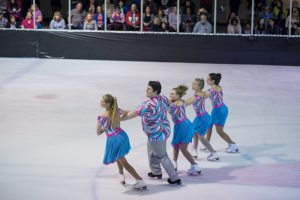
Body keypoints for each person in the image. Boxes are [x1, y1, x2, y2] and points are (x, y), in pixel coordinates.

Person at [122, 81, 181, 184]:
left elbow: (133, 114)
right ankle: (156, 172)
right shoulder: (162, 97)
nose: (146, 90)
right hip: (162, 129)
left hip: (157, 134)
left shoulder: (149, 104)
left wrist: (118, 119)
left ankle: (175, 178)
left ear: (155, 91)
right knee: (151, 150)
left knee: (162, 155)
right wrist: (125, 111)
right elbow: (170, 106)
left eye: (149, 89)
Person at [97, 94, 147, 190]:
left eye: (102, 101)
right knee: (119, 157)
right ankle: (121, 175)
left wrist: (105, 128)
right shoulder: (117, 110)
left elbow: (98, 133)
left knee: (123, 160)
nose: (100, 102)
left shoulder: (101, 117)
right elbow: (129, 113)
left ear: (107, 104)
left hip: (113, 139)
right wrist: (120, 119)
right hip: (122, 136)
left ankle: (140, 180)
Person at [168, 85, 201, 175]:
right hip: (181, 125)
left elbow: (167, 104)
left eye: (173, 94)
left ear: (178, 96)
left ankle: (195, 166)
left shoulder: (176, 103)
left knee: (183, 148)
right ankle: (174, 163)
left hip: (183, 126)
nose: (170, 95)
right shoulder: (181, 101)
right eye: (170, 94)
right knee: (176, 145)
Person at [186, 78, 219, 161]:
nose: (192, 85)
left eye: (194, 84)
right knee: (195, 133)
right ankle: (194, 150)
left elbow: (187, 102)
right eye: (192, 83)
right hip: (200, 116)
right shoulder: (200, 93)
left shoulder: (197, 96)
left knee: (201, 137)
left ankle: (214, 153)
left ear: (199, 86)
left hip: (203, 118)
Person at [205, 73, 239, 153]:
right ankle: (207, 144)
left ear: (213, 81)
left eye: (208, 79)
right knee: (209, 126)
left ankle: (233, 144)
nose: (206, 80)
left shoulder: (211, 90)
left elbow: (204, 96)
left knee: (219, 131)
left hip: (219, 111)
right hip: (221, 108)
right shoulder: (219, 87)